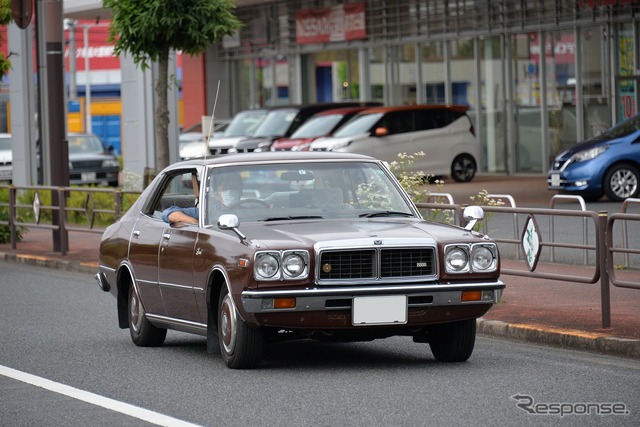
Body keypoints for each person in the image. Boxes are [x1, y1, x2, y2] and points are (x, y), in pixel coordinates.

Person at [161, 172, 242, 224]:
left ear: (240, 192)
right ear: (217, 194)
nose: (230, 191)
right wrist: (194, 222)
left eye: (234, 187)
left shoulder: (251, 210)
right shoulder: (207, 212)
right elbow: (168, 213)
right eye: (225, 188)